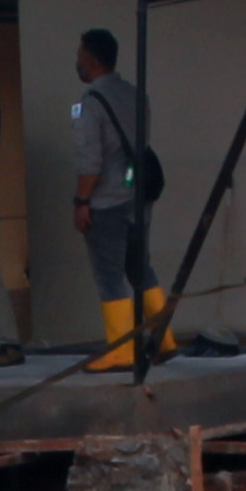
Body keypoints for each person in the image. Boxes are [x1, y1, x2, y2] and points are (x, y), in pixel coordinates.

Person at [72, 30, 165, 370]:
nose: (77, 62)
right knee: (141, 267)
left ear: (92, 60)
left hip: (106, 201)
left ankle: (122, 349)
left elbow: (90, 160)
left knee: (110, 275)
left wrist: (81, 201)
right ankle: (164, 338)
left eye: (80, 56)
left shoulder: (90, 103)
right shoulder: (136, 95)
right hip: (139, 195)